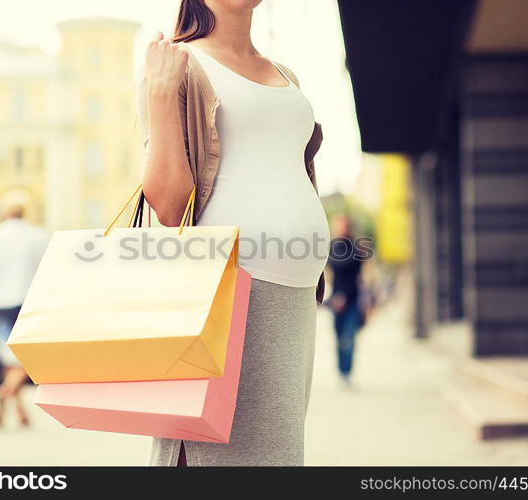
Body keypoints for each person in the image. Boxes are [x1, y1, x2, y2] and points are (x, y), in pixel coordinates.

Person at [139, 0, 329, 466]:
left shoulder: (284, 73)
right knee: (220, 451)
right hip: (230, 287)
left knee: (273, 455)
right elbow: (166, 206)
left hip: (296, 292)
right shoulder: (177, 62)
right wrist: (161, 95)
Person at [0, 192, 48, 428]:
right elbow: (45, 272)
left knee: (9, 359)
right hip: (29, 302)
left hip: (1, 303)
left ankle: (15, 407)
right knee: (28, 358)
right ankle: (8, 395)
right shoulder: (38, 235)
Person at [328, 214, 364, 386]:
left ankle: (347, 373)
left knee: (348, 338)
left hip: (351, 301)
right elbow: (333, 267)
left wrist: (343, 296)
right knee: (338, 337)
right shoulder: (333, 247)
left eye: (341, 225)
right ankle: (341, 371)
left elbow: (350, 274)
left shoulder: (356, 249)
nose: (338, 229)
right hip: (335, 300)